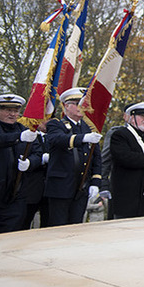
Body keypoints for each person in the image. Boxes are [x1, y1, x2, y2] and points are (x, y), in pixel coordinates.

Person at [44, 87, 103, 226]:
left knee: (76, 227)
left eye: (82, 104)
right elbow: (57, 140)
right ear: (65, 106)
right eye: (76, 103)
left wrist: (95, 182)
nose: (80, 107)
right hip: (61, 188)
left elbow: (96, 158)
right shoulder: (56, 124)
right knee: (58, 227)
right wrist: (83, 138)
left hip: (81, 187)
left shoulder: (88, 128)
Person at [0, 93, 44, 232]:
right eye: (8, 110)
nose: (13, 114)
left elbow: (38, 153)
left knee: (14, 232)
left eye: (16, 110)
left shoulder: (24, 130)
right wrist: (18, 137)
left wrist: (30, 163)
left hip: (16, 193)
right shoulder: (21, 134)